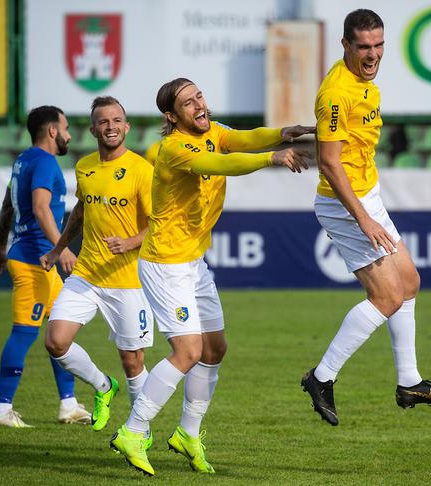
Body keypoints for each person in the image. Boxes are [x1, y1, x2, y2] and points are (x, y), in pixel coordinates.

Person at [109, 77, 314, 477]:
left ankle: (187, 434)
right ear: (172, 116)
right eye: (188, 103)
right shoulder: (173, 149)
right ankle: (132, 432)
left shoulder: (213, 131)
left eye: (199, 96)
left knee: (215, 349)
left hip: (193, 262)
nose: (199, 105)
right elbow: (219, 164)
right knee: (187, 352)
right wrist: (271, 158)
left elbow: (242, 139)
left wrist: (281, 134)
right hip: (165, 263)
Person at [300, 9, 431, 426]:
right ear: (346, 45)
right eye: (364, 47)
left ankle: (409, 382)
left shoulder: (365, 85)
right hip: (344, 202)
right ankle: (321, 377)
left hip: (366, 196)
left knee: (409, 283)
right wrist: (365, 220)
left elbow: (342, 139)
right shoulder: (338, 91)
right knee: (386, 297)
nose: (373, 55)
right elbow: (330, 165)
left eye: (378, 45)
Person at [40, 96, 154, 435]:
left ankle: (140, 433)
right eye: (103, 121)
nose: (111, 126)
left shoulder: (142, 170)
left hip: (128, 279)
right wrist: (58, 248)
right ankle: (103, 386)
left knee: (132, 361)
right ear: (92, 129)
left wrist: (129, 243)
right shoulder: (85, 166)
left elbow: (157, 223)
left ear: (127, 126)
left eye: (117, 120)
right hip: (87, 274)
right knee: (55, 341)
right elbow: (81, 211)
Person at [0, 105, 90, 428]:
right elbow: (41, 208)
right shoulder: (45, 162)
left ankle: (69, 405)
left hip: (36, 262)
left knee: (60, 333)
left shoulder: (23, 161)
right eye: (66, 127)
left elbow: (7, 208)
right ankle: (1, 410)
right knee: (24, 332)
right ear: (52, 131)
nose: (70, 135)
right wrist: (62, 249)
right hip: (35, 261)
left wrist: (1, 245)